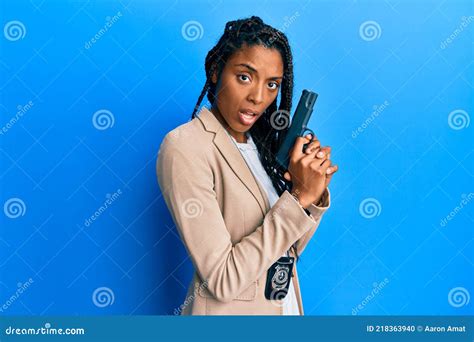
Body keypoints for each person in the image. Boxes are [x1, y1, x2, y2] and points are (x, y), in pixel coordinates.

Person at [156, 16, 338, 315]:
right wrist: (297, 199)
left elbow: (285, 251)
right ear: (216, 72)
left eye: (272, 85)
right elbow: (222, 279)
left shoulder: (264, 148)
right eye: (244, 77)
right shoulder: (185, 146)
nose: (258, 97)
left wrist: (311, 193)